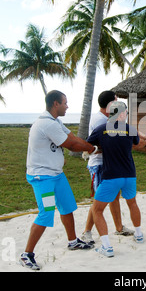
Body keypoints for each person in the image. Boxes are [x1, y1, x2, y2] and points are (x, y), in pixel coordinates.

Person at [20, 90, 96, 271]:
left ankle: (72, 241)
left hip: (57, 175)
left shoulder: (56, 121)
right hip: (42, 177)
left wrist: (89, 146)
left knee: (67, 207)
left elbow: (72, 138)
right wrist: (92, 148)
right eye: (65, 103)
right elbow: (71, 145)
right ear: (56, 104)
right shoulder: (47, 124)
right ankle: (27, 254)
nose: (67, 106)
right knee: (46, 214)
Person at [86, 101, 146, 257]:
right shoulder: (130, 129)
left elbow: (88, 144)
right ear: (120, 114)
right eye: (125, 113)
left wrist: (99, 149)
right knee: (132, 203)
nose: (126, 115)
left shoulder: (101, 129)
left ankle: (107, 247)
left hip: (111, 176)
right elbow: (136, 143)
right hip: (129, 174)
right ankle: (139, 234)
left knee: (97, 209)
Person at [81, 91, 134, 245]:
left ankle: (119, 227)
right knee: (99, 201)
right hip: (99, 164)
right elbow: (97, 144)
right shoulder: (100, 120)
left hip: (109, 163)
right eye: (116, 101)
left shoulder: (106, 119)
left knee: (114, 196)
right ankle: (87, 232)